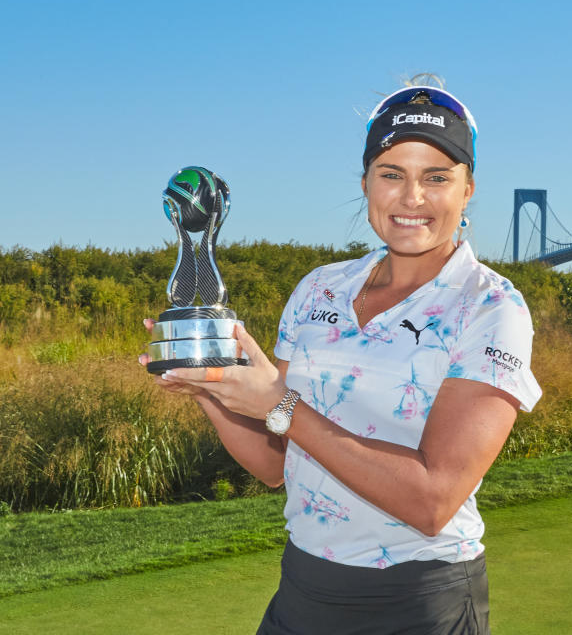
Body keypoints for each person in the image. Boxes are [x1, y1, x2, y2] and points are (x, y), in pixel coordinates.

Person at [141, 84, 542, 634]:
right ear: (365, 184)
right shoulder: (318, 289)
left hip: (420, 602)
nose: (412, 197)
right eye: (391, 173)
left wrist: (279, 402)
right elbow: (278, 463)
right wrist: (211, 388)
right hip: (304, 588)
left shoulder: (492, 307)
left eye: (436, 177)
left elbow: (433, 499)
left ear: (468, 189)